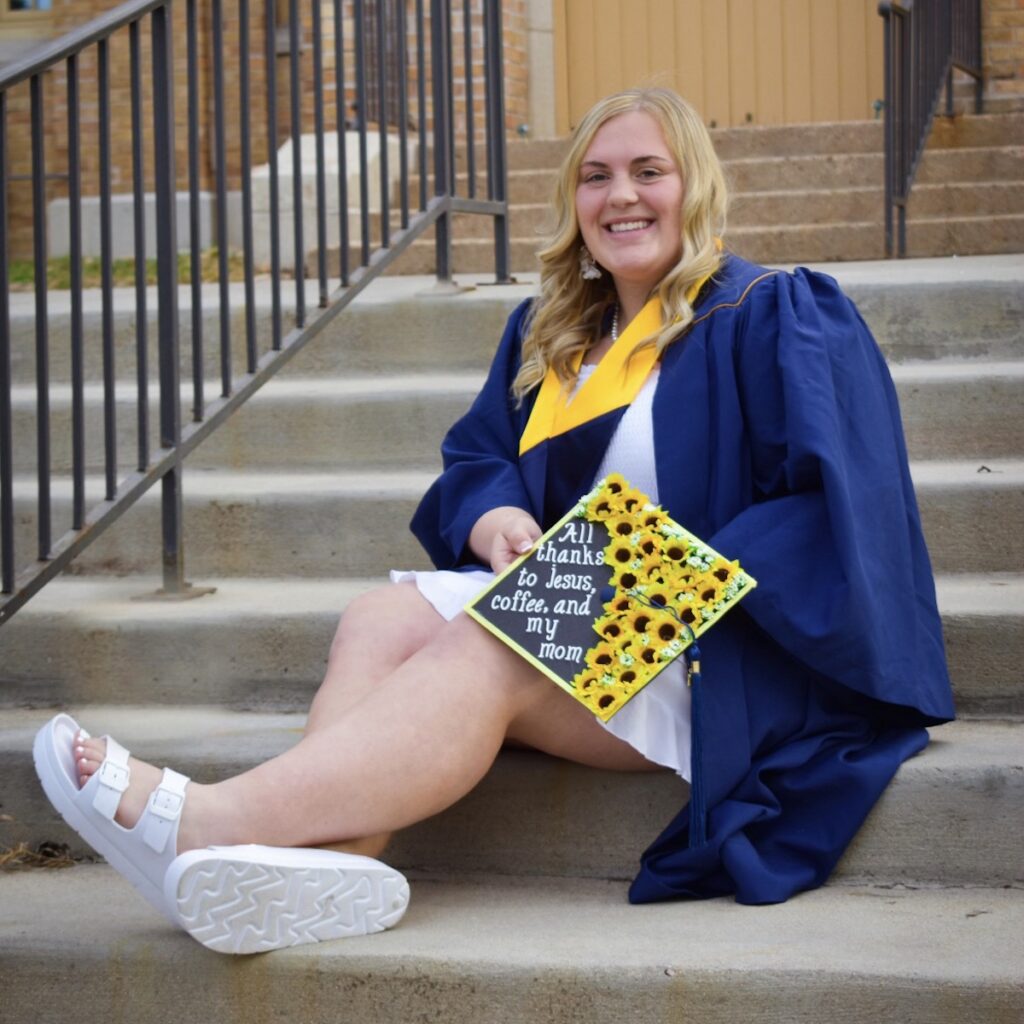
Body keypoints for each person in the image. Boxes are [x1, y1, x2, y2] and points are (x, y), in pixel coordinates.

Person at [33, 88, 954, 955]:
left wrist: (643, 570)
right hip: (587, 625)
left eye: (648, 171)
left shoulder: (771, 314)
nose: (619, 194)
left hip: (722, 650)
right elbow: (478, 460)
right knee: (380, 618)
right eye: (595, 176)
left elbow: (839, 508)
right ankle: (326, 868)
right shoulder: (548, 335)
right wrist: (496, 515)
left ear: (695, 187)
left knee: (507, 629)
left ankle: (211, 823)